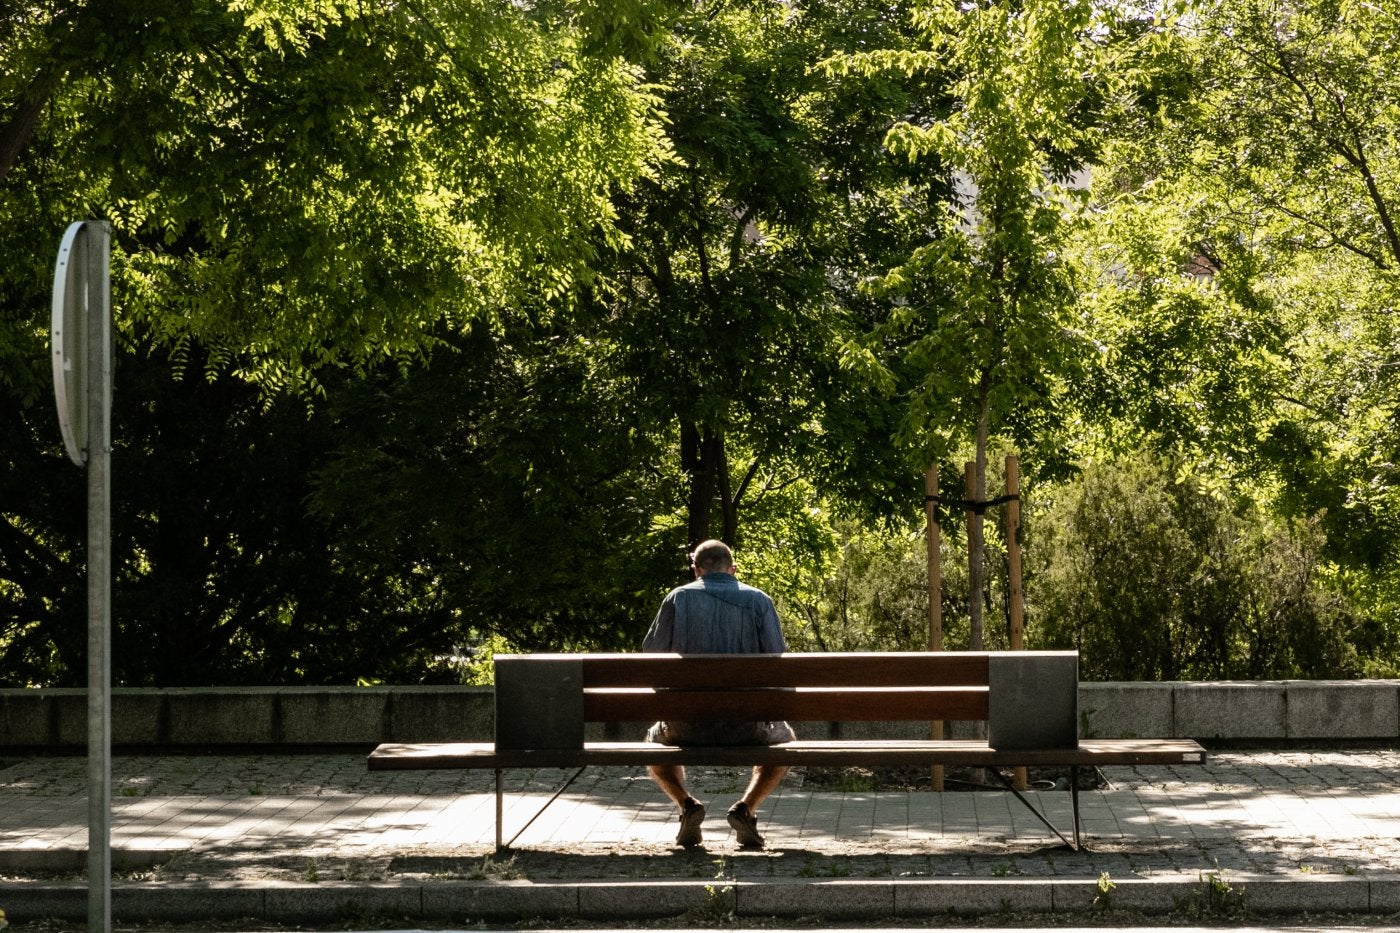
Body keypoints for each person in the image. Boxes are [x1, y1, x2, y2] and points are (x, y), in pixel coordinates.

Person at [641, 539, 794, 849]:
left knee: (653, 742)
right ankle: (746, 808)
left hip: (686, 725)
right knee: (786, 740)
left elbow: (651, 658)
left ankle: (687, 805)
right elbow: (779, 664)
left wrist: (673, 702)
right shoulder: (758, 601)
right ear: (733, 569)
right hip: (747, 726)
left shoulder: (677, 599)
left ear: (696, 569)